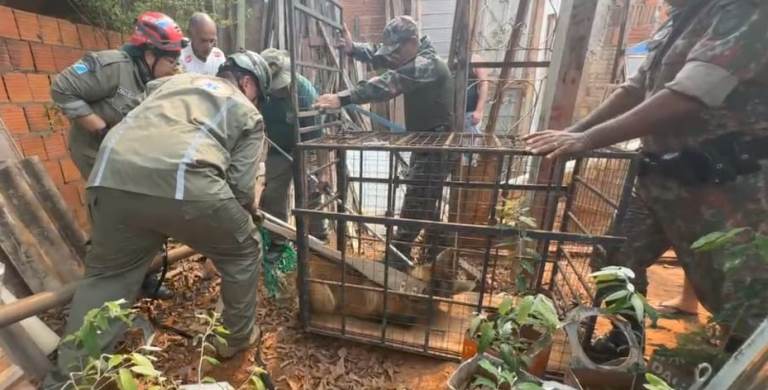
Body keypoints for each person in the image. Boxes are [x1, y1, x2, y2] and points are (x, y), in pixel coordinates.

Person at [525, 0, 768, 351]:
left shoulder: (743, 10)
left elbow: (688, 95)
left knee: (739, 292)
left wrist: (587, 138)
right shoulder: (677, 21)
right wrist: (573, 133)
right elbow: (635, 89)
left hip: (728, 188)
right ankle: (627, 342)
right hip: (662, 179)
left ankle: (732, 369)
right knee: (615, 258)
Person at [43, 50, 272, 388]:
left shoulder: (167, 83)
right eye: (259, 95)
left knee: (107, 278)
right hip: (183, 181)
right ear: (248, 82)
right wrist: (241, 216)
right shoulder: (246, 110)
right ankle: (234, 340)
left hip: (109, 176)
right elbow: (239, 188)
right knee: (244, 251)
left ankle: (68, 379)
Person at [51, 11, 186, 300]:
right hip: (95, 151)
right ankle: (106, 286)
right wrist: (101, 129)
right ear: (149, 54)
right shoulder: (112, 66)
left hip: (129, 152)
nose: (175, 67)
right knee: (116, 211)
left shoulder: (156, 76)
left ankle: (144, 275)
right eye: (171, 60)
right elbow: (62, 88)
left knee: (143, 209)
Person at [315, 15, 455, 270]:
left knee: (416, 203)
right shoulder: (415, 56)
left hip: (436, 147)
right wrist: (354, 49)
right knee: (426, 201)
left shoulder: (428, 65)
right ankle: (435, 253)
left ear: (412, 42)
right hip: (428, 143)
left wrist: (344, 97)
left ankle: (396, 261)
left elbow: (390, 82)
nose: (392, 57)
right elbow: (388, 59)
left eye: (396, 50)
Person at [259, 48, 328, 260]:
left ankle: (317, 239)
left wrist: (323, 172)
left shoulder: (304, 94)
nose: (278, 90)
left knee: (312, 191)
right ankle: (278, 240)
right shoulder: (259, 91)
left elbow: (319, 137)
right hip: (277, 147)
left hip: (305, 147)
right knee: (273, 195)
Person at [465, 53, 489, 133]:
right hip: (452, 113)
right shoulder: (450, 59)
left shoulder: (475, 59)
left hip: (470, 112)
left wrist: (478, 111)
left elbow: (484, 84)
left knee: (471, 142)